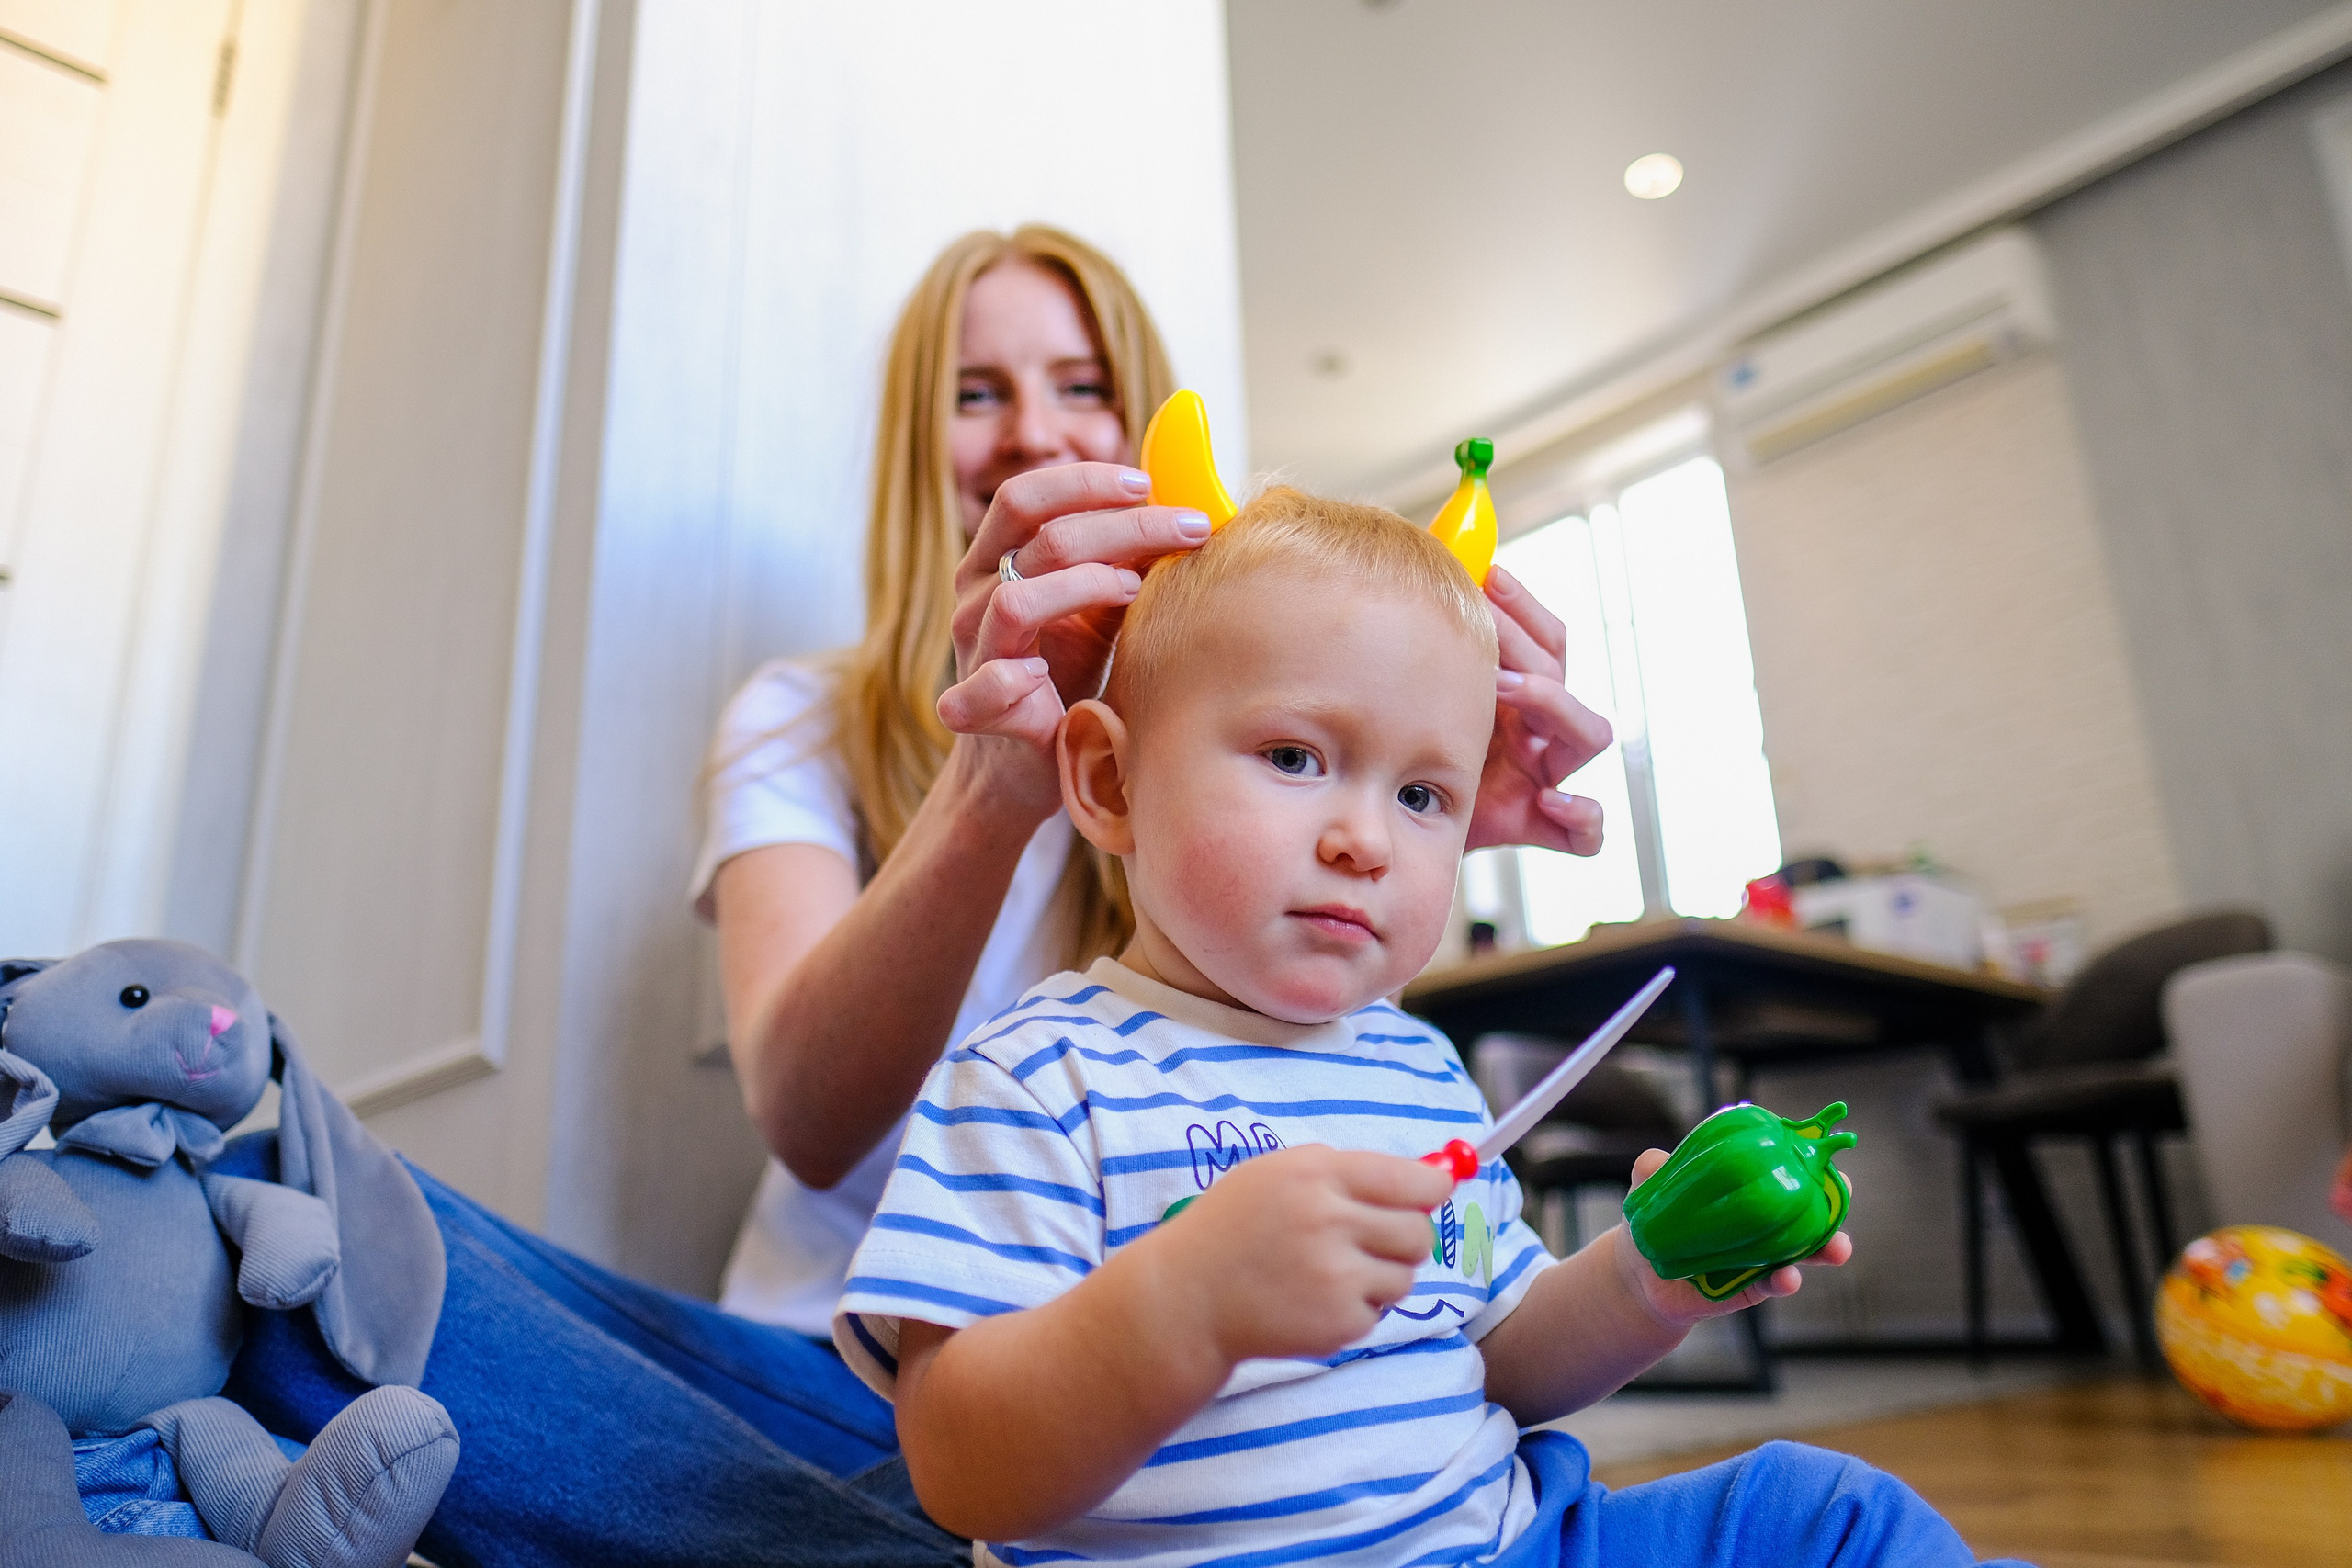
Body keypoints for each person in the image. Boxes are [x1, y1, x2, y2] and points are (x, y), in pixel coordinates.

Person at [207, 227, 1616, 1567]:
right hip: (859, 1381)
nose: (1032, 427)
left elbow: (1336, 1121)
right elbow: (813, 1124)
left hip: (1207, 1433)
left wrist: (1409, 806)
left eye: (1081, 384)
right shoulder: (798, 719)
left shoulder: (1265, 738)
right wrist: (992, 789)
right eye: (975, 391)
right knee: (306, 1219)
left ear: (1146, 422)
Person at [834, 489, 2023, 1568]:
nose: (1367, 839)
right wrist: (1181, 1305)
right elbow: (956, 1468)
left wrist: (1647, 1280)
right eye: (1295, 756)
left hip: (1513, 1548)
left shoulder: (1414, 1068)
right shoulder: (1037, 1076)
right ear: (1109, 781)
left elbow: (1496, 1359)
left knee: (1826, 1517)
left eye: (1422, 795)